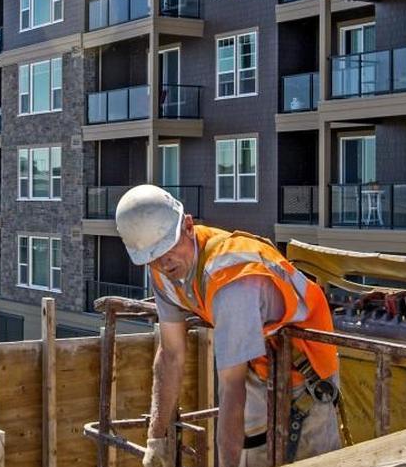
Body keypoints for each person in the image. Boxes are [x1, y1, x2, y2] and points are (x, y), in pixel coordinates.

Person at [114, 185, 341, 467]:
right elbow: (171, 354)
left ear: (188, 226)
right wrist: (156, 438)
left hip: (307, 372)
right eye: (152, 257)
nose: (164, 262)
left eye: (168, 248)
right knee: (252, 452)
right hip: (259, 364)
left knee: (316, 461)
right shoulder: (164, 272)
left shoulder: (231, 279)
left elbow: (231, 389)